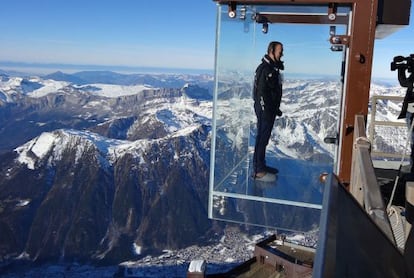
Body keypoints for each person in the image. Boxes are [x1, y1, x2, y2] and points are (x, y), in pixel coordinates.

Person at [252, 41, 284, 182]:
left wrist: (274, 109)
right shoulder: (265, 69)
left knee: (264, 139)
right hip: (265, 110)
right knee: (261, 138)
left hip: (269, 110)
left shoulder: (271, 68)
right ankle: (258, 170)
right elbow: (260, 93)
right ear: (271, 51)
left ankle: (261, 165)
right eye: (279, 51)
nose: (281, 54)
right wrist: (266, 110)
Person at [397, 63, 414, 172]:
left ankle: (413, 168)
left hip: (410, 111)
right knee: (413, 140)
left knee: (413, 140)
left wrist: (401, 69)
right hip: (410, 112)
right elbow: (405, 83)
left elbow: (404, 83)